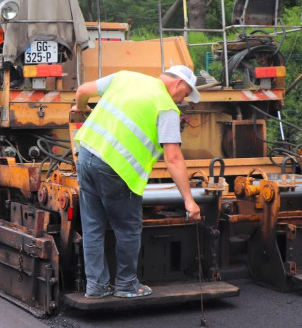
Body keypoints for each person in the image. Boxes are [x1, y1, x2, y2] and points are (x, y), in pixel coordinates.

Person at [71, 65, 203, 298]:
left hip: (86, 156)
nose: (184, 100)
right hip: (115, 169)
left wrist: (81, 109)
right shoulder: (167, 108)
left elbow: (82, 90)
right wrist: (189, 201)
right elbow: (173, 158)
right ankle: (126, 285)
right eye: (186, 94)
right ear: (179, 84)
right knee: (128, 229)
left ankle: (96, 286)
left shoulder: (126, 77)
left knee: (92, 226)